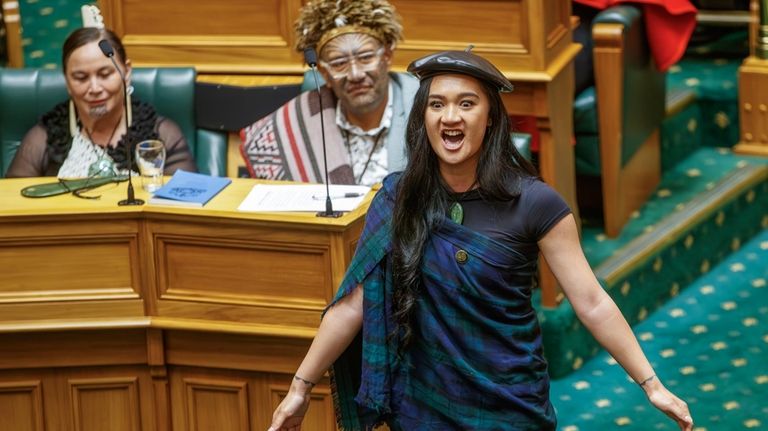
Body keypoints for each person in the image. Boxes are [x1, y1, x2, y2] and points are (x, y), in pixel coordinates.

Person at [267, 49, 694, 430]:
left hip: (509, 402)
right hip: (423, 403)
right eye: (437, 105)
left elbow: (592, 302)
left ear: (490, 118)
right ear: (423, 119)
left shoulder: (536, 203)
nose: (449, 116)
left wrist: (651, 384)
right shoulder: (399, 197)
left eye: (466, 104)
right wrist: (301, 386)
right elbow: (353, 305)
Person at [239, 0, 418, 186]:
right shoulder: (296, 124)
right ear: (325, 73)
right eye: (339, 63)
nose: (355, 74)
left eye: (365, 58)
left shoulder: (425, 106)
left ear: (387, 57)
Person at [6, 27, 196, 178]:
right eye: (81, 78)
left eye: (105, 75)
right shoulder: (45, 138)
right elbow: (13, 210)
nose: (95, 88)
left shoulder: (160, 134)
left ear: (126, 72)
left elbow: (186, 205)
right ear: (67, 82)